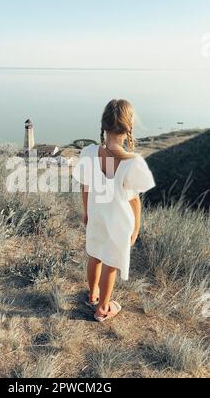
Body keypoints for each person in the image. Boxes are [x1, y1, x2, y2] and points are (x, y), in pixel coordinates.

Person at [72, 99, 156, 322]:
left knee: (94, 255)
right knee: (110, 263)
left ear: (103, 126)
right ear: (129, 128)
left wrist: (86, 211)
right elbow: (134, 200)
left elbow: (85, 186)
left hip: (96, 215)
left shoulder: (89, 153)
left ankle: (92, 295)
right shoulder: (132, 162)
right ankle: (103, 309)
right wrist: (136, 227)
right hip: (118, 222)